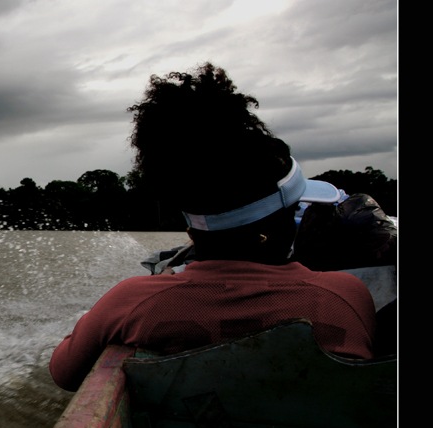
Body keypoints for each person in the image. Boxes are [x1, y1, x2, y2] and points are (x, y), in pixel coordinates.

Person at [49, 63, 380, 392]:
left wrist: (98, 318)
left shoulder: (132, 303)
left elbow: (64, 373)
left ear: (192, 229)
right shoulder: (344, 295)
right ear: (286, 220)